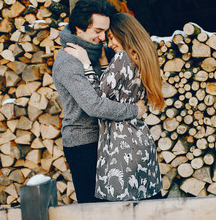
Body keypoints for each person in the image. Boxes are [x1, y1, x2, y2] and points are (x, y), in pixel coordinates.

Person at [52, 0, 147, 203]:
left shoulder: (98, 53)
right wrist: (134, 111)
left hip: (107, 140)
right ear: (79, 28)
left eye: (105, 31)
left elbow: (109, 89)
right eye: (97, 31)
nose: (103, 37)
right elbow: (93, 105)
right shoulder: (69, 61)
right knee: (95, 209)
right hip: (84, 145)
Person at [64, 13, 165, 201]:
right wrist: (104, 64)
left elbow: (98, 98)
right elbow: (116, 90)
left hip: (121, 145)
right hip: (141, 142)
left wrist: (86, 64)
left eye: (111, 37)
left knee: (119, 208)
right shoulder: (141, 57)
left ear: (124, 33)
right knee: (146, 204)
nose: (109, 43)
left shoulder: (122, 58)